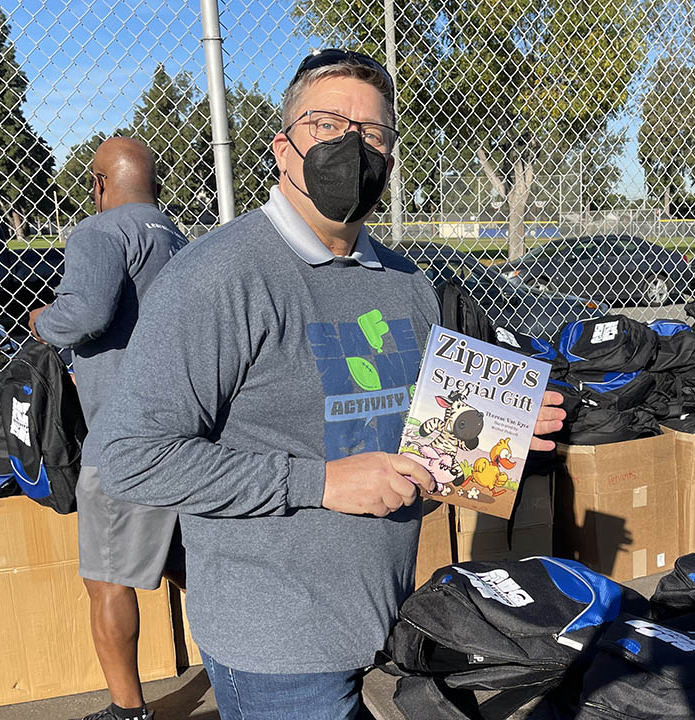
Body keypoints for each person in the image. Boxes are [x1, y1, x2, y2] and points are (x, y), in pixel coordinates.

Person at [95, 49, 565, 720]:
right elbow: (130, 457)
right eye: (326, 123)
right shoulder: (219, 277)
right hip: (277, 646)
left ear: (391, 161)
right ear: (283, 150)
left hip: (388, 619)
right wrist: (320, 482)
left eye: (373, 133)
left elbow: (403, 436)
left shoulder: (408, 284)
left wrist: (498, 431)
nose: (353, 144)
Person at [29, 136, 189, 720]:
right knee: (187, 559)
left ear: (99, 183)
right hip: (186, 430)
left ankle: (127, 711)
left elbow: (87, 313)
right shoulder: (177, 237)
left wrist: (45, 321)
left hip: (123, 440)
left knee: (107, 579)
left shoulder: (100, 233)